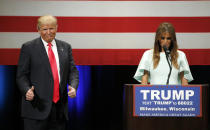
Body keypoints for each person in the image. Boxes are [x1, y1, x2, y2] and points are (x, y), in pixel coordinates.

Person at [16, 15, 79, 130]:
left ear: (57, 28)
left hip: (59, 111)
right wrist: (26, 90)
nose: (48, 32)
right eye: (45, 29)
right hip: (36, 109)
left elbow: (73, 71)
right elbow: (21, 75)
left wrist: (74, 87)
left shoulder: (65, 47)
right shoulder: (28, 48)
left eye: (52, 28)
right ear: (38, 29)